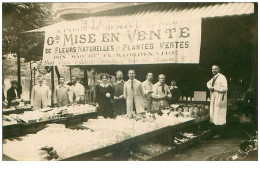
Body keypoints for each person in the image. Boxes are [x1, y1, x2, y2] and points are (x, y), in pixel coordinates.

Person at [207, 65, 228, 137]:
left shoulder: (222, 77)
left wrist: (214, 88)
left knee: (219, 116)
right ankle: (216, 132)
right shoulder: (214, 78)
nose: (213, 70)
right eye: (212, 69)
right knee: (214, 116)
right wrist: (210, 87)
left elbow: (225, 88)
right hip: (214, 99)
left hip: (220, 100)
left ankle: (220, 133)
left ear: (219, 69)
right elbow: (208, 83)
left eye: (215, 69)